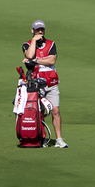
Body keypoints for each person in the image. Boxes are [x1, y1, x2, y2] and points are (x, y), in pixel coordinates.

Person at [23, 20, 68, 148]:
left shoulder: (51, 44)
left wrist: (35, 60)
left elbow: (52, 60)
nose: (40, 31)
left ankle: (59, 139)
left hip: (51, 82)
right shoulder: (26, 44)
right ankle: (41, 138)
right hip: (36, 83)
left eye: (42, 29)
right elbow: (29, 54)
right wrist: (34, 41)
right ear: (33, 31)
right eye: (37, 30)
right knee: (38, 112)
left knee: (55, 110)